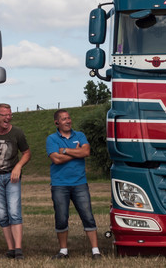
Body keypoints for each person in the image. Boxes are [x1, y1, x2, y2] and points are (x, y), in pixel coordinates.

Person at [46, 109, 101, 260]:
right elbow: (55, 160)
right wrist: (76, 152)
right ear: (57, 122)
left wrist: (64, 150)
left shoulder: (80, 135)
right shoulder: (51, 139)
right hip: (59, 185)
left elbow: (86, 152)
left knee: (88, 215)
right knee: (61, 217)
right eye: (64, 119)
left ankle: (95, 251)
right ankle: (63, 251)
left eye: (69, 118)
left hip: (80, 183)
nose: (68, 121)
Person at [0, 103, 31, 260]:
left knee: (14, 212)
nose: (8, 118)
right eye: (4, 115)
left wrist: (18, 167)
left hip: (12, 177)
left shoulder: (17, 133)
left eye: (10, 115)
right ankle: (10, 249)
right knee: (2, 214)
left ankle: (18, 249)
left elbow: (27, 153)